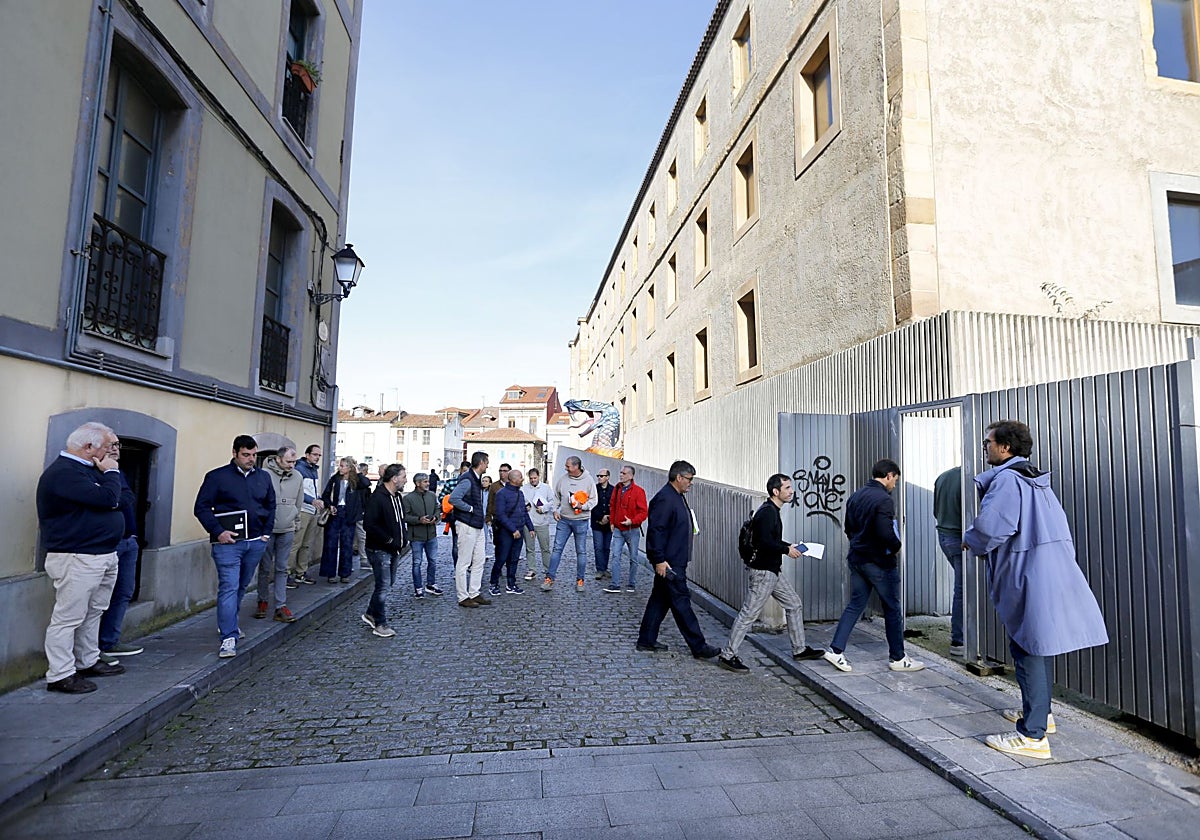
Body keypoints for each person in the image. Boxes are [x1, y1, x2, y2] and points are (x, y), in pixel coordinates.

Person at [965, 420, 1108, 760]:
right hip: (1047, 570)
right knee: (1037, 644)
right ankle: (1041, 714)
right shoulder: (1036, 480)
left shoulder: (1007, 481)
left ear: (1005, 448)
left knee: (1028, 647)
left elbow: (990, 529)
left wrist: (970, 540)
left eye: (988, 442)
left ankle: (1033, 736)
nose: (985, 447)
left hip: (1026, 573)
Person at [38, 422, 128, 693]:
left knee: (93, 612)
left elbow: (122, 498)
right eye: (109, 446)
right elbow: (110, 499)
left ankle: (87, 660)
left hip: (102, 553)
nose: (114, 451)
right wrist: (112, 474)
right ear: (89, 447)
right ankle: (60, 674)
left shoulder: (92, 470)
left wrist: (110, 481)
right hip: (77, 556)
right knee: (68, 617)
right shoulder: (65, 473)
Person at [822, 459, 924, 673]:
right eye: (895, 480)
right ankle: (898, 658)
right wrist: (896, 546)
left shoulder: (856, 496)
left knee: (855, 604)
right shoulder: (884, 500)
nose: (894, 485)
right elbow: (885, 532)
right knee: (893, 608)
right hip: (878, 562)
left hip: (857, 558)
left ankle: (835, 650)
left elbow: (848, 528)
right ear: (888, 476)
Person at [718, 474, 824, 673]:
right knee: (748, 614)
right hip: (763, 573)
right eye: (787, 488)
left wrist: (789, 546)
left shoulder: (772, 510)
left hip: (772, 571)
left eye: (791, 487)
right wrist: (786, 550)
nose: (791, 491)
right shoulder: (767, 513)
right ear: (776, 492)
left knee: (794, 604)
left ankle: (800, 649)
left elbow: (770, 540)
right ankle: (728, 655)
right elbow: (763, 543)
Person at [194, 435, 276, 659]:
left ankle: (229, 623)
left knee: (241, 586)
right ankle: (228, 637)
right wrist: (218, 531)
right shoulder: (217, 477)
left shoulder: (263, 477)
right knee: (229, 587)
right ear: (234, 453)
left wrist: (266, 534)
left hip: (256, 542)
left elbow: (270, 505)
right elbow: (201, 507)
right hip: (228, 544)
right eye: (246, 455)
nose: (251, 459)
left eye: (254, 455)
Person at [635, 460, 720, 660]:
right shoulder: (666, 498)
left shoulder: (677, 496)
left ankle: (646, 640)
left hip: (674, 559)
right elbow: (656, 531)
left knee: (659, 600)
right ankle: (699, 647)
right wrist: (659, 560)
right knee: (682, 602)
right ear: (679, 477)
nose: (691, 483)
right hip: (669, 563)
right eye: (689, 479)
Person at [97, 435, 144, 662]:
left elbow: (128, 497)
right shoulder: (92, 473)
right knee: (98, 597)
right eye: (111, 445)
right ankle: (92, 649)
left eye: (117, 445)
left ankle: (109, 641)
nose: (116, 449)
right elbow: (115, 500)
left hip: (129, 541)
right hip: (108, 544)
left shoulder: (118, 472)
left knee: (123, 592)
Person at [256, 447, 304, 623]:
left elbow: (298, 502)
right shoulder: (264, 474)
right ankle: (262, 600)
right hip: (267, 529)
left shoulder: (297, 476)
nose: (292, 465)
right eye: (289, 462)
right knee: (265, 567)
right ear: (278, 459)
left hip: (287, 528)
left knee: (283, 568)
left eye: (294, 462)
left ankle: (280, 605)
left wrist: (296, 521)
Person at [362, 463, 405, 638]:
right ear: (394, 479)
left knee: (388, 583)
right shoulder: (378, 497)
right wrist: (388, 540)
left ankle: (371, 613)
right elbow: (369, 525)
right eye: (403, 476)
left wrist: (402, 540)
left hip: (394, 549)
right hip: (380, 550)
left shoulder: (397, 497)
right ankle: (380, 623)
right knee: (383, 586)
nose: (405, 480)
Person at [541, 456, 596, 592]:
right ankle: (549, 578)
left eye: (568, 466)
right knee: (557, 549)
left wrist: (582, 506)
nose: (566, 468)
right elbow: (556, 497)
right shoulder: (563, 479)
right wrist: (554, 509)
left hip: (581, 521)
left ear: (576, 466)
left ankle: (580, 580)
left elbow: (594, 501)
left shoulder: (588, 481)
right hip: (564, 520)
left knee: (581, 551)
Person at [449, 451, 492, 607]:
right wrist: (470, 509)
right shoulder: (467, 479)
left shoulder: (475, 479)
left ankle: (474, 592)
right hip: (467, 524)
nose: (488, 465)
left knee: (479, 559)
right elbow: (454, 498)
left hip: (477, 525)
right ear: (481, 463)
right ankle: (463, 596)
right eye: (487, 462)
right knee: (464, 562)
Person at [933, 466, 964, 657]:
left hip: (944, 535)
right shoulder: (972, 478)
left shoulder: (943, 476)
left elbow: (936, 511)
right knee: (964, 590)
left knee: (964, 589)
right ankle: (959, 640)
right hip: (959, 537)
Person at [319, 456, 366, 583]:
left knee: (347, 544)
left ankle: (345, 573)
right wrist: (330, 505)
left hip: (349, 515)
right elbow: (326, 495)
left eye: (342, 466)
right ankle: (330, 574)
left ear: (349, 468)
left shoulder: (356, 481)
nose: (339, 468)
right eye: (340, 465)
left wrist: (356, 471)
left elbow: (366, 483)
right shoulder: (335, 479)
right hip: (335, 513)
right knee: (331, 544)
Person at [603, 465, 648, 594]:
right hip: (617, 529)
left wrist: (632, 521)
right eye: (621, 472)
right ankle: (615, 584)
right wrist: (612, 522)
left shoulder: (639, 491)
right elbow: (612, 506)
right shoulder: (617, 489)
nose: (621, 475)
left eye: (624, 473)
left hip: (632, 530)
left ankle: (631, 583)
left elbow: (644, 512)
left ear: (631, 476)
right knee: (615, 555)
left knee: (633, 558)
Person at [490, 469, 533, 596]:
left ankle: (511, 584)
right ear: (514, 479)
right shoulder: (501, 494)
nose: (522, 479)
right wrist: (513, 529)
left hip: (518, 532)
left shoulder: (520, 494)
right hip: (506, 532)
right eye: (520, 477)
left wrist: (530, 528)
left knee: (514, 559)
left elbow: (524, 512)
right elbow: (501, 515)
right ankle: (494, 583)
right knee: (501, 558)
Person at [287, 444, 325, 585]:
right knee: (296, 543)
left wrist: (319, 499)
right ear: (307, 455)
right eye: (315, 455)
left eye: (319, 455)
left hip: (312, 511)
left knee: (306, 544)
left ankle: (301, 572)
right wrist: (312, 500)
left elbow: (313, 490)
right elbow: (298, 491)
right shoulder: (299, 469)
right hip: (302, 510)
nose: (317, 458)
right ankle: (287, 573)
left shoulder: (314, 470)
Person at [403, 471, 443, 597]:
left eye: (427, 481)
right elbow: (404, 516)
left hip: (431, 534)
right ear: (417, 483)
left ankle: (431, 584)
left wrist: (436, 518)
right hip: (416, 537)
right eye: (425, 481)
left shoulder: (432, 495)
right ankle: (418, 588)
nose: (428, 483)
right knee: (417, 563)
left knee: (433, 560)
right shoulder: (408, 498)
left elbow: (438, 509)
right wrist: (418, 520)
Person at [521, 467, 554, 581]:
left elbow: (552, 501)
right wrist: (525, 506)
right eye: (531, 478)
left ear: (538, 477)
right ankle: (532, 569)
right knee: (530, 548)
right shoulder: (523, 488)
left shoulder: (546, 488)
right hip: (529, 522)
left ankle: (548, 570)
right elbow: (520, 502)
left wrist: (544, 508)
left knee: (545, 548)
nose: (533, 480)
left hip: (542, 522)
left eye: (535, 478)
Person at [439, 460, 471, 566]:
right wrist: (450, 504)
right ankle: (457, 567)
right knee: (456, 543)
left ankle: (467, 565)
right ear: (461, 470)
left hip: (469, 517)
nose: (466, 473)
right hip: (454, 516)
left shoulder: (473, 483)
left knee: (470, 542)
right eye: (465, 471)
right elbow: (441, 497)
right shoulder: (451, 482)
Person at [591, 467, 615, 580]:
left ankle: (605, 568)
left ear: (607, 477)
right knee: (598, 546)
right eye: (598, 476)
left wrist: (609, 517)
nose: (599, 478)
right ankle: (600, 569)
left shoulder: (613, 490)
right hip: (597, 523)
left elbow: (615, 506)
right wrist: (601, 517)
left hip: (609, 523)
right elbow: (592, 505)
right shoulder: (594, 489)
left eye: (602, 476)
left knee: (606, 547)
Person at [486, 463, 512, 558]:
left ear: (509, 472)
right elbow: (490, 502)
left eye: (504, 471)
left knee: (510, 542)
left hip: (511, 518)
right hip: (498, 519)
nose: (502, 473)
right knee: (498, 542)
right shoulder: (494, 486)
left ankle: (509, 561)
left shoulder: (513, 484)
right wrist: (488, 517)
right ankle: (499, 562)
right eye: (500, 471)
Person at [354, 463, 372, 566]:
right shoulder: (359, 480)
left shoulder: (360, 481)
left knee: (361, 536)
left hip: (360, 511)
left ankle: (363, 557)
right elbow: (366, 483)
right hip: (358, 511)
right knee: (362, 536)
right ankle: (364, 558)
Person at [480, 474, 494, 559]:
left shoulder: (491, 493)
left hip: (488, 516)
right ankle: (481, 554)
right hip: (480, 516)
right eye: (483, 481)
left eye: (486, 481)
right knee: (481, 536)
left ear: (490, 483)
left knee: (490, 535)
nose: (484, 483)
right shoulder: (479, 492)